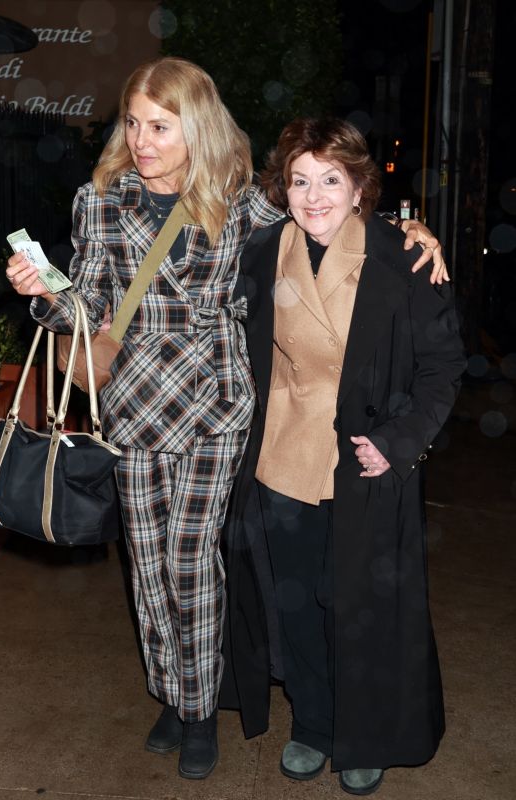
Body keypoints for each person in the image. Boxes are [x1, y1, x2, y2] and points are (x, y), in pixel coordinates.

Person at [5, 57, 448, 782]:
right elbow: (83, 308)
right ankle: (172, 694)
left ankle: (202, 706)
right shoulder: (100, 201)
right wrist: (41, 294)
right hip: (134, 403)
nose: (142, 141)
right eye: (133, 124)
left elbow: (326, 222)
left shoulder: (240, 201)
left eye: (159, 126)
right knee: (147, 569)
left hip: (216, 405)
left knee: (192, 563)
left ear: (195, 129)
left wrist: (410, 229)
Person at [221, 116, 466, 795]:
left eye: (331, 178)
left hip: (366, 463)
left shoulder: (406, 257)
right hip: (283, 456)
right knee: (297, 604)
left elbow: (443, 368)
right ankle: (314, 725)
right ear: (282, 188)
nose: (314, 194)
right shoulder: (264, 249)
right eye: (299, 180)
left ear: (359, 185)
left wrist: (399, 442)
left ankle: (366, 735)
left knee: (359, 608)